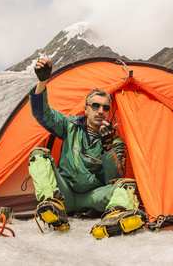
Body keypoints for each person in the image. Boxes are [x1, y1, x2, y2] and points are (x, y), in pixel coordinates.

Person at [29, 58, 147, 239]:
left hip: (93, 196)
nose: (100, 110)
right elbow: (42, 114)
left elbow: (114, 179)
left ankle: (114, 218)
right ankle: (52, 206)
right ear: (86, 109)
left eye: (106, 108)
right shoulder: (68, 125)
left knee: (126, 186)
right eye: (95, 105)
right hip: (64, 193)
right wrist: (42, 81)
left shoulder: (115, 140)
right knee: (38, 154)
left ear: (109, 112)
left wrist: (107, 147)